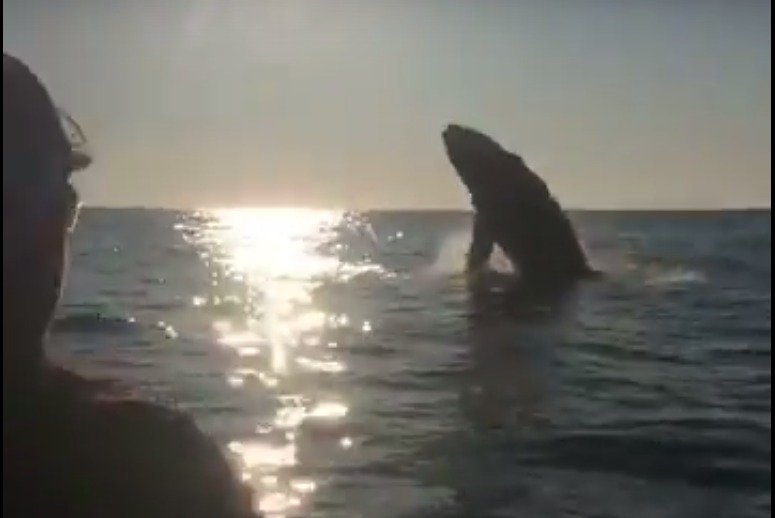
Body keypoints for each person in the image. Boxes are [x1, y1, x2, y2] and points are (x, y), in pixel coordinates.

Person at [3, 52, 261, 518]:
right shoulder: (151, 469)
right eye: (12, 195)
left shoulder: (159, 466)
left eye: (59, 200)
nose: (45, 229)